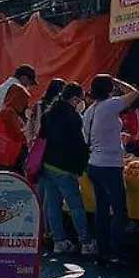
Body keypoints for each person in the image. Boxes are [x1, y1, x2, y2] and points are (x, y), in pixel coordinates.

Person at [82, 74, 139, 264]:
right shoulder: (110, 105)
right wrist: (117, 80)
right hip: (110, 165)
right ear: (109, 89)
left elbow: (86, 139)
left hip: (94, 163)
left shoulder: (90, 111)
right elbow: (135, 93)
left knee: (101, 208)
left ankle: (103, 250)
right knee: (119, 209)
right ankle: (117, 250)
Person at [38, 82, 91, 255]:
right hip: (65, 168)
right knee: (76, 206)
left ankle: (58, 241)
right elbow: (79, 145)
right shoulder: (73, 117)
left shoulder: (48, 114)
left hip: (47, 165)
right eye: (79, 100)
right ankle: (86, 242)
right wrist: (82, 166)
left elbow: (41, 139)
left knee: (53, 204)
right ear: (74, 99)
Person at [26, 78, 65, 144]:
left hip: (40, 139)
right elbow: (31, 124)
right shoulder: (39, 105)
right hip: (46, 140)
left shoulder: (39, 105)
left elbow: (31, 124)